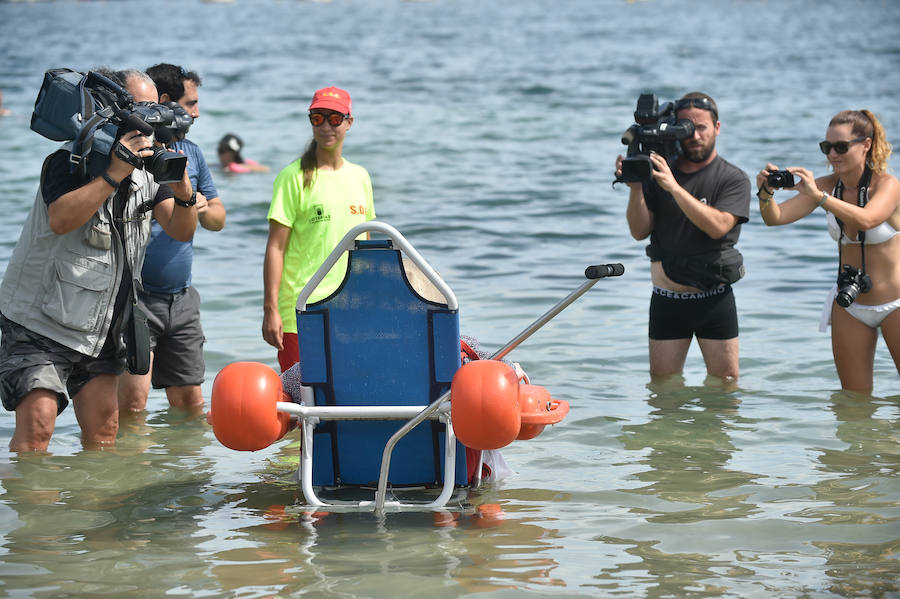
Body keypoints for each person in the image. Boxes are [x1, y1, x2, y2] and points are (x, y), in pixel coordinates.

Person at [0, 69, 198, 451]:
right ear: (113, 111)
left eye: (156, 110)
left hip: (101, 326)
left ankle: (91, 509)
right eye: (143, 109)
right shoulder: (69, 161)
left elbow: (181, 230)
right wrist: (113, 173)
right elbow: (60, 219)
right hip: (39, 322)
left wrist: (185, 193)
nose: (152, 120)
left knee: (105, 436)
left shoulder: (149, 172)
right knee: (38, 429)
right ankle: (30, 507)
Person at [756, 110, 900, 392]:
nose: (833, 154)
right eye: (827, 147)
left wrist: (818, 197)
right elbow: (774, 218)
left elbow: (868, 219)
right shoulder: (825, 186)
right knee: (852, 403)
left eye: (841, 146)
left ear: (866, 145)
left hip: (896, 303)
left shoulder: (887, 185)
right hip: (850, 304)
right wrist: (764, 194)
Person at [615, 92, 751, 381]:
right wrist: (637, 187)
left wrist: (675, 188)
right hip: (667, 300)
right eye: (687, 127)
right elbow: (639, 232)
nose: (695, 135)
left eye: (702, 127)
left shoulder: (732, 178)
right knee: (663, 392)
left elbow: (718, 226)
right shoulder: (661, 171)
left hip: (714, 299)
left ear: (717, 127)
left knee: (725, 390)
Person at [116, 63, 227, 414]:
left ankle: (187, 467)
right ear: (165, 102)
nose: (196, 112)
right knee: (134, 404)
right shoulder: (130, 154)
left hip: (182, 299)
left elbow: (218, 219)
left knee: (191, 404)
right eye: (190, 103)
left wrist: (197, 204)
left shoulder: (191, 153)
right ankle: (136, 468)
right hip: (138, 298)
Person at [263, 86, 375, 372]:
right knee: (306, 401)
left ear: (349, 122)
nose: (326, 126)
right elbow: (275, 247)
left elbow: (367, 243)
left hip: (351, 311)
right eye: (317, 118)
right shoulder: (292, 177)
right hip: (302, 311)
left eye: (335, 118)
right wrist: (271, 309)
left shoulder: (360, 177)